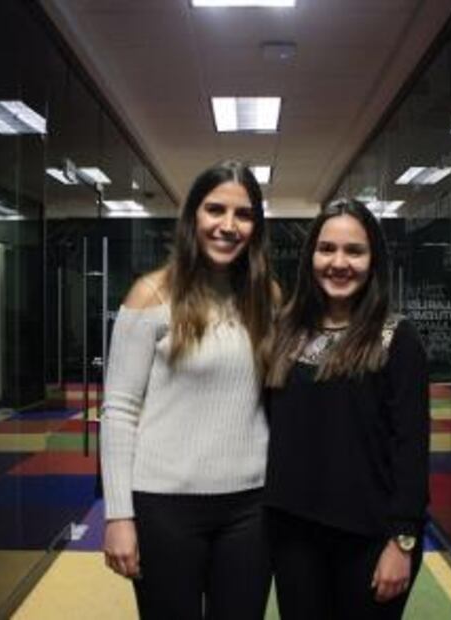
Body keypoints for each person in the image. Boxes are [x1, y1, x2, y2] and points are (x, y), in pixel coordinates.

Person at [100, 160, 275, 620]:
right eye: (215, 209)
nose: (228, 225)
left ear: (256, 227)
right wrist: (118, 515)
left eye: (243, 214)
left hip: (252, 508)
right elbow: (119, 410)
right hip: (164, 507)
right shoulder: (150, 295)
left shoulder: (268, 299)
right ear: (193, 215)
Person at [264, 199, 430, 619]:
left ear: (373, 261)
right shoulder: (285, 332)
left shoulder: (397, 338)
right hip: (294, 538)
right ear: (311, 257)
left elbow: (411, 447)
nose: (339, 263)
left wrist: (403, 542)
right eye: (327, 249)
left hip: (372, 540)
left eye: (354, 251)